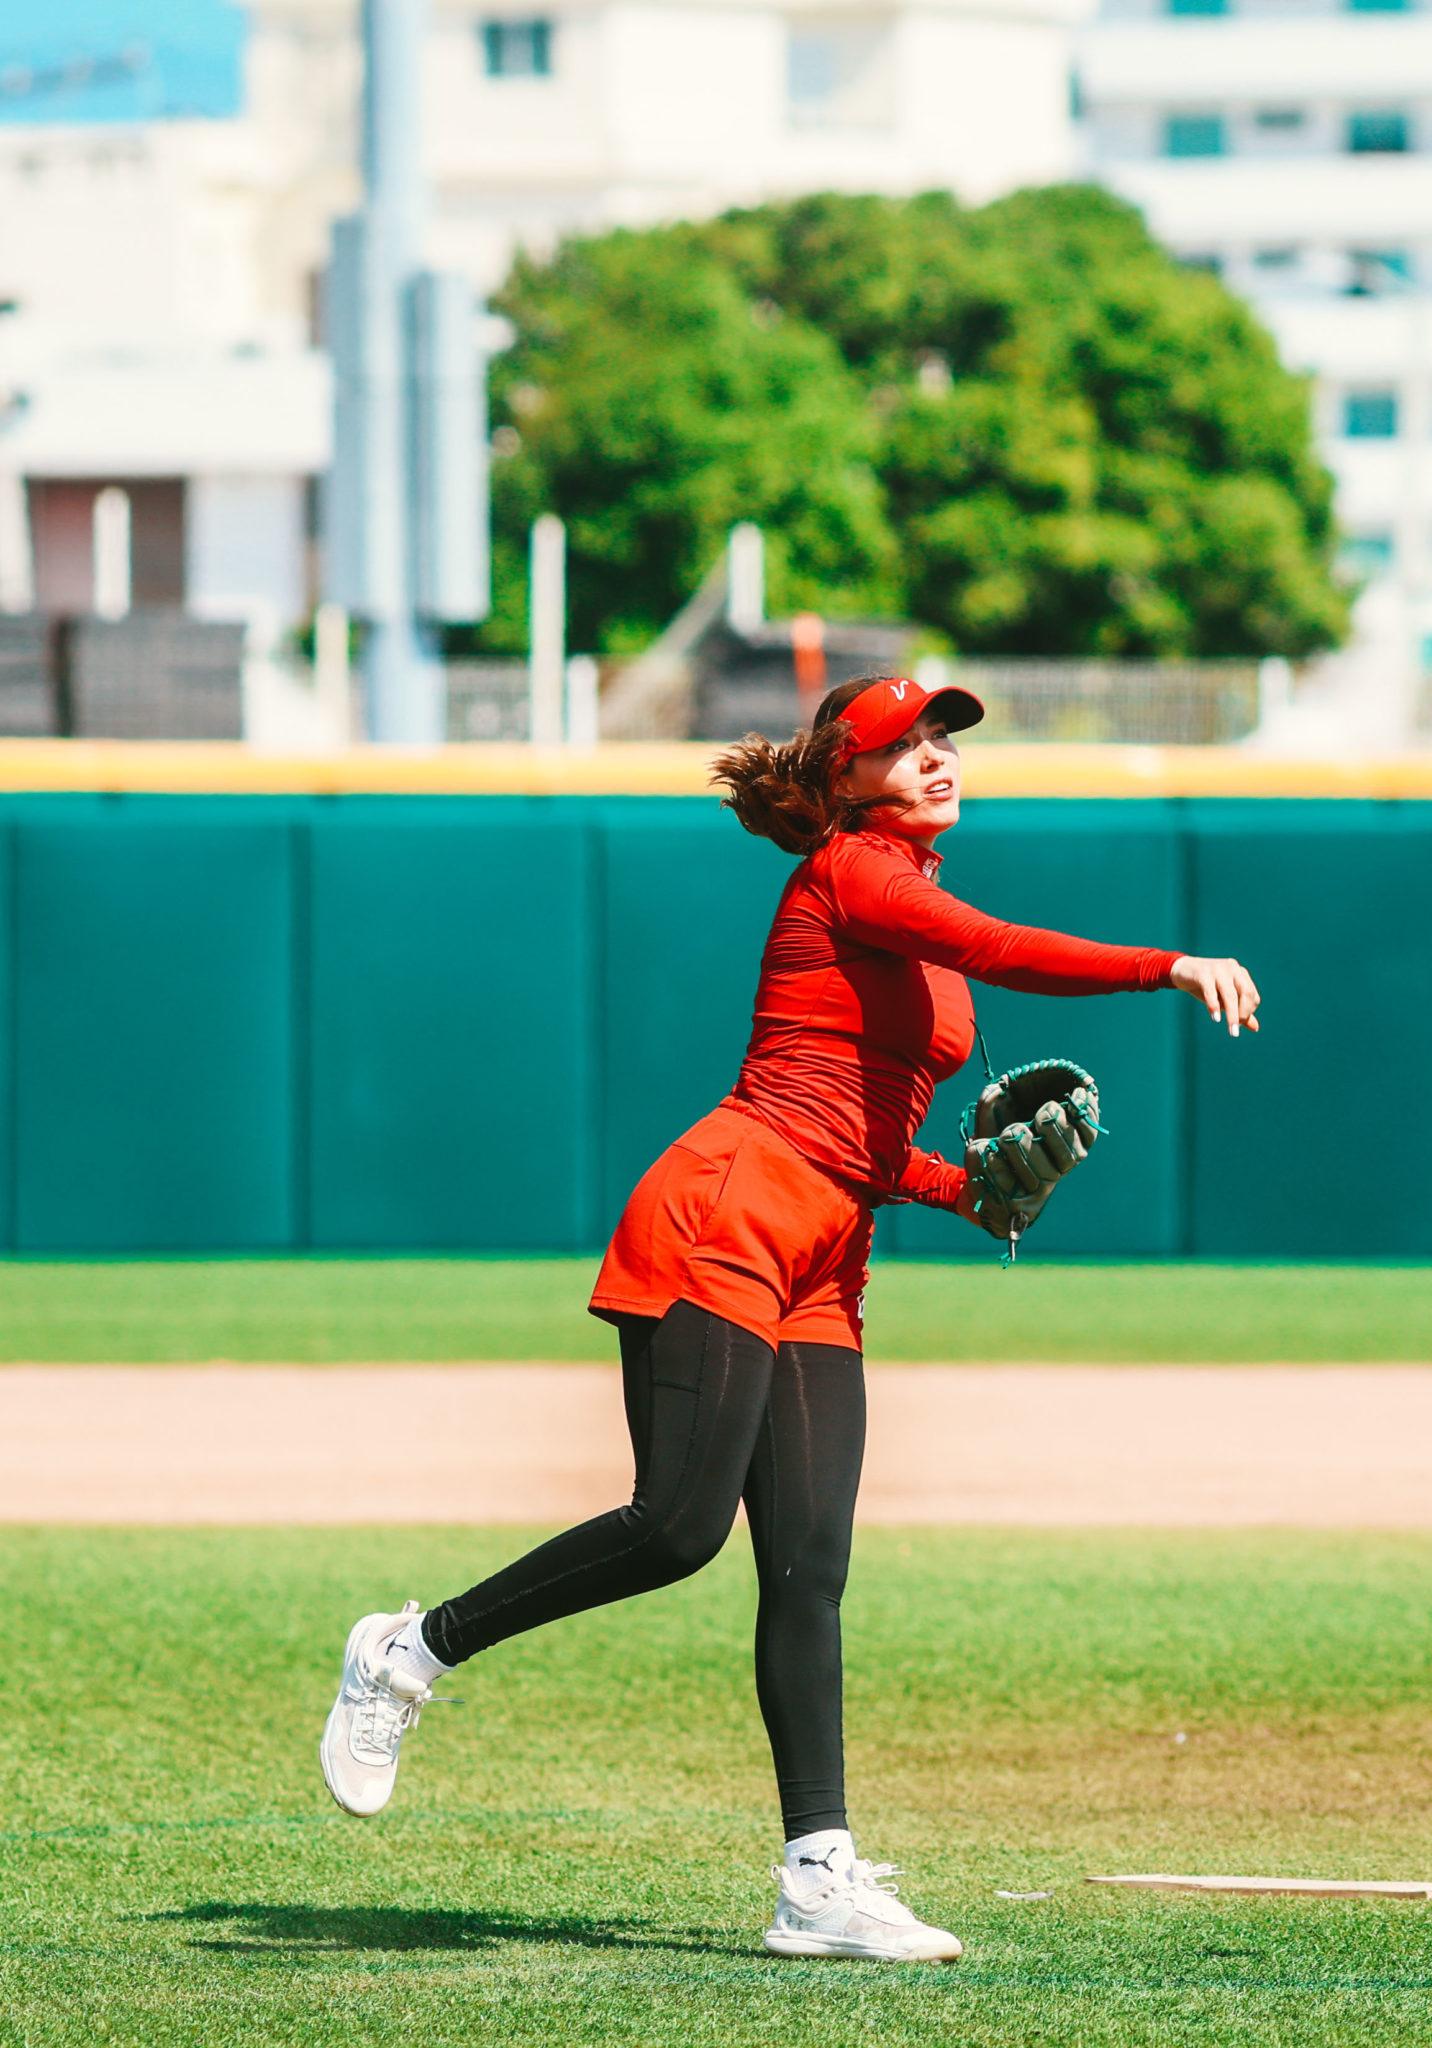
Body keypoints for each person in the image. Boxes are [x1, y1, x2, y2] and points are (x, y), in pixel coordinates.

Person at [317, 673, 1261, 1963]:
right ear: (846, 779)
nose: (935, 759)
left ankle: (817, 1878)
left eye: (943, 739)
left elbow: (866, 1142)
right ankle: (409, 1651)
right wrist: (1168, 966)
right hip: (726, 1217)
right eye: (903, 745)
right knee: (678, 1527)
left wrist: (976, 1194)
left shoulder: (906, 907)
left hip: (826, 1256)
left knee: (809, 1565)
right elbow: (995, 949)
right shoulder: (857, 873)